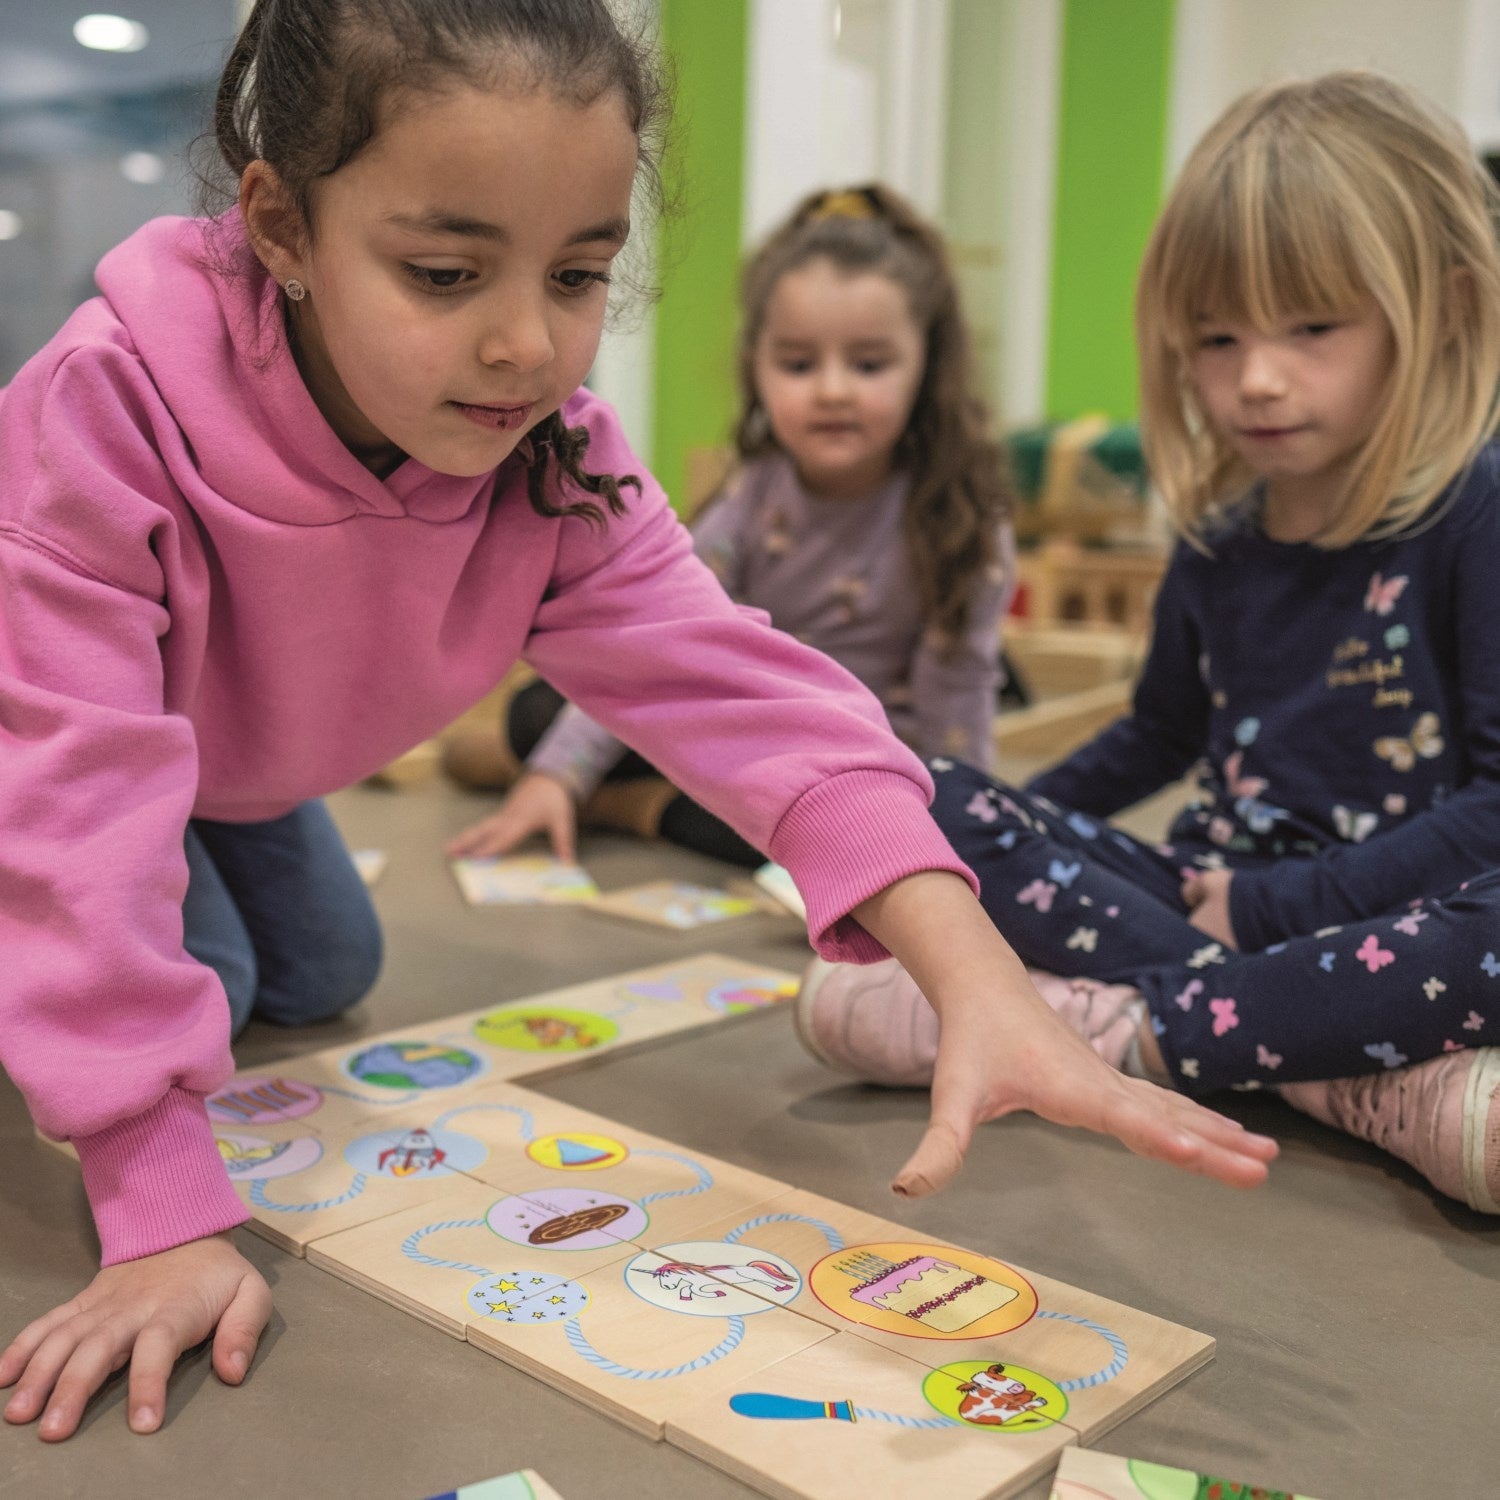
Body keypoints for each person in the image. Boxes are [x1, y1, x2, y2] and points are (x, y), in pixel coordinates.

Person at [0, 0, 1274, 1447]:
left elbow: (743, 690)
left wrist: (977, 973)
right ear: (281, 226)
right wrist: (154, 1203)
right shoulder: (100, 413)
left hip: (237, 762)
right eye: (443, 272)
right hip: (60, 752)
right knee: (192, 999)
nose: (525, 347)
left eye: (579, 273)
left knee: (328, 968)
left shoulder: (554, 464)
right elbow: (75, 800)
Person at [797, 71, 1500, 1215]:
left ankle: (1111, 1028)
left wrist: (1276, 913)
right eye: (1216, 340)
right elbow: (1157, 734)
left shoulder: (1474, 513)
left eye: (1313, 328)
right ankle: (1352, 1075)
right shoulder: (1221, 542)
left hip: (1386, 924)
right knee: (916, 796)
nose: (1255, 379)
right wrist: (985, 860)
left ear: (1447, 310)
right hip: (1199, 901)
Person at [445, 183, 1014, 869]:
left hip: (855, 767)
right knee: (539, 712)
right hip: (738, 727)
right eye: (799, 364)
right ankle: (548, 780)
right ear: (758, 368)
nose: (833, 389)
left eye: (869, 364)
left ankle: (627, 806)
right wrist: (554, 775)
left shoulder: (959, 521)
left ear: (926, 366)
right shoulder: (753, 495)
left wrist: (965, 839)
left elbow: (956, 714)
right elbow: (655, 651)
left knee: (806, 833)